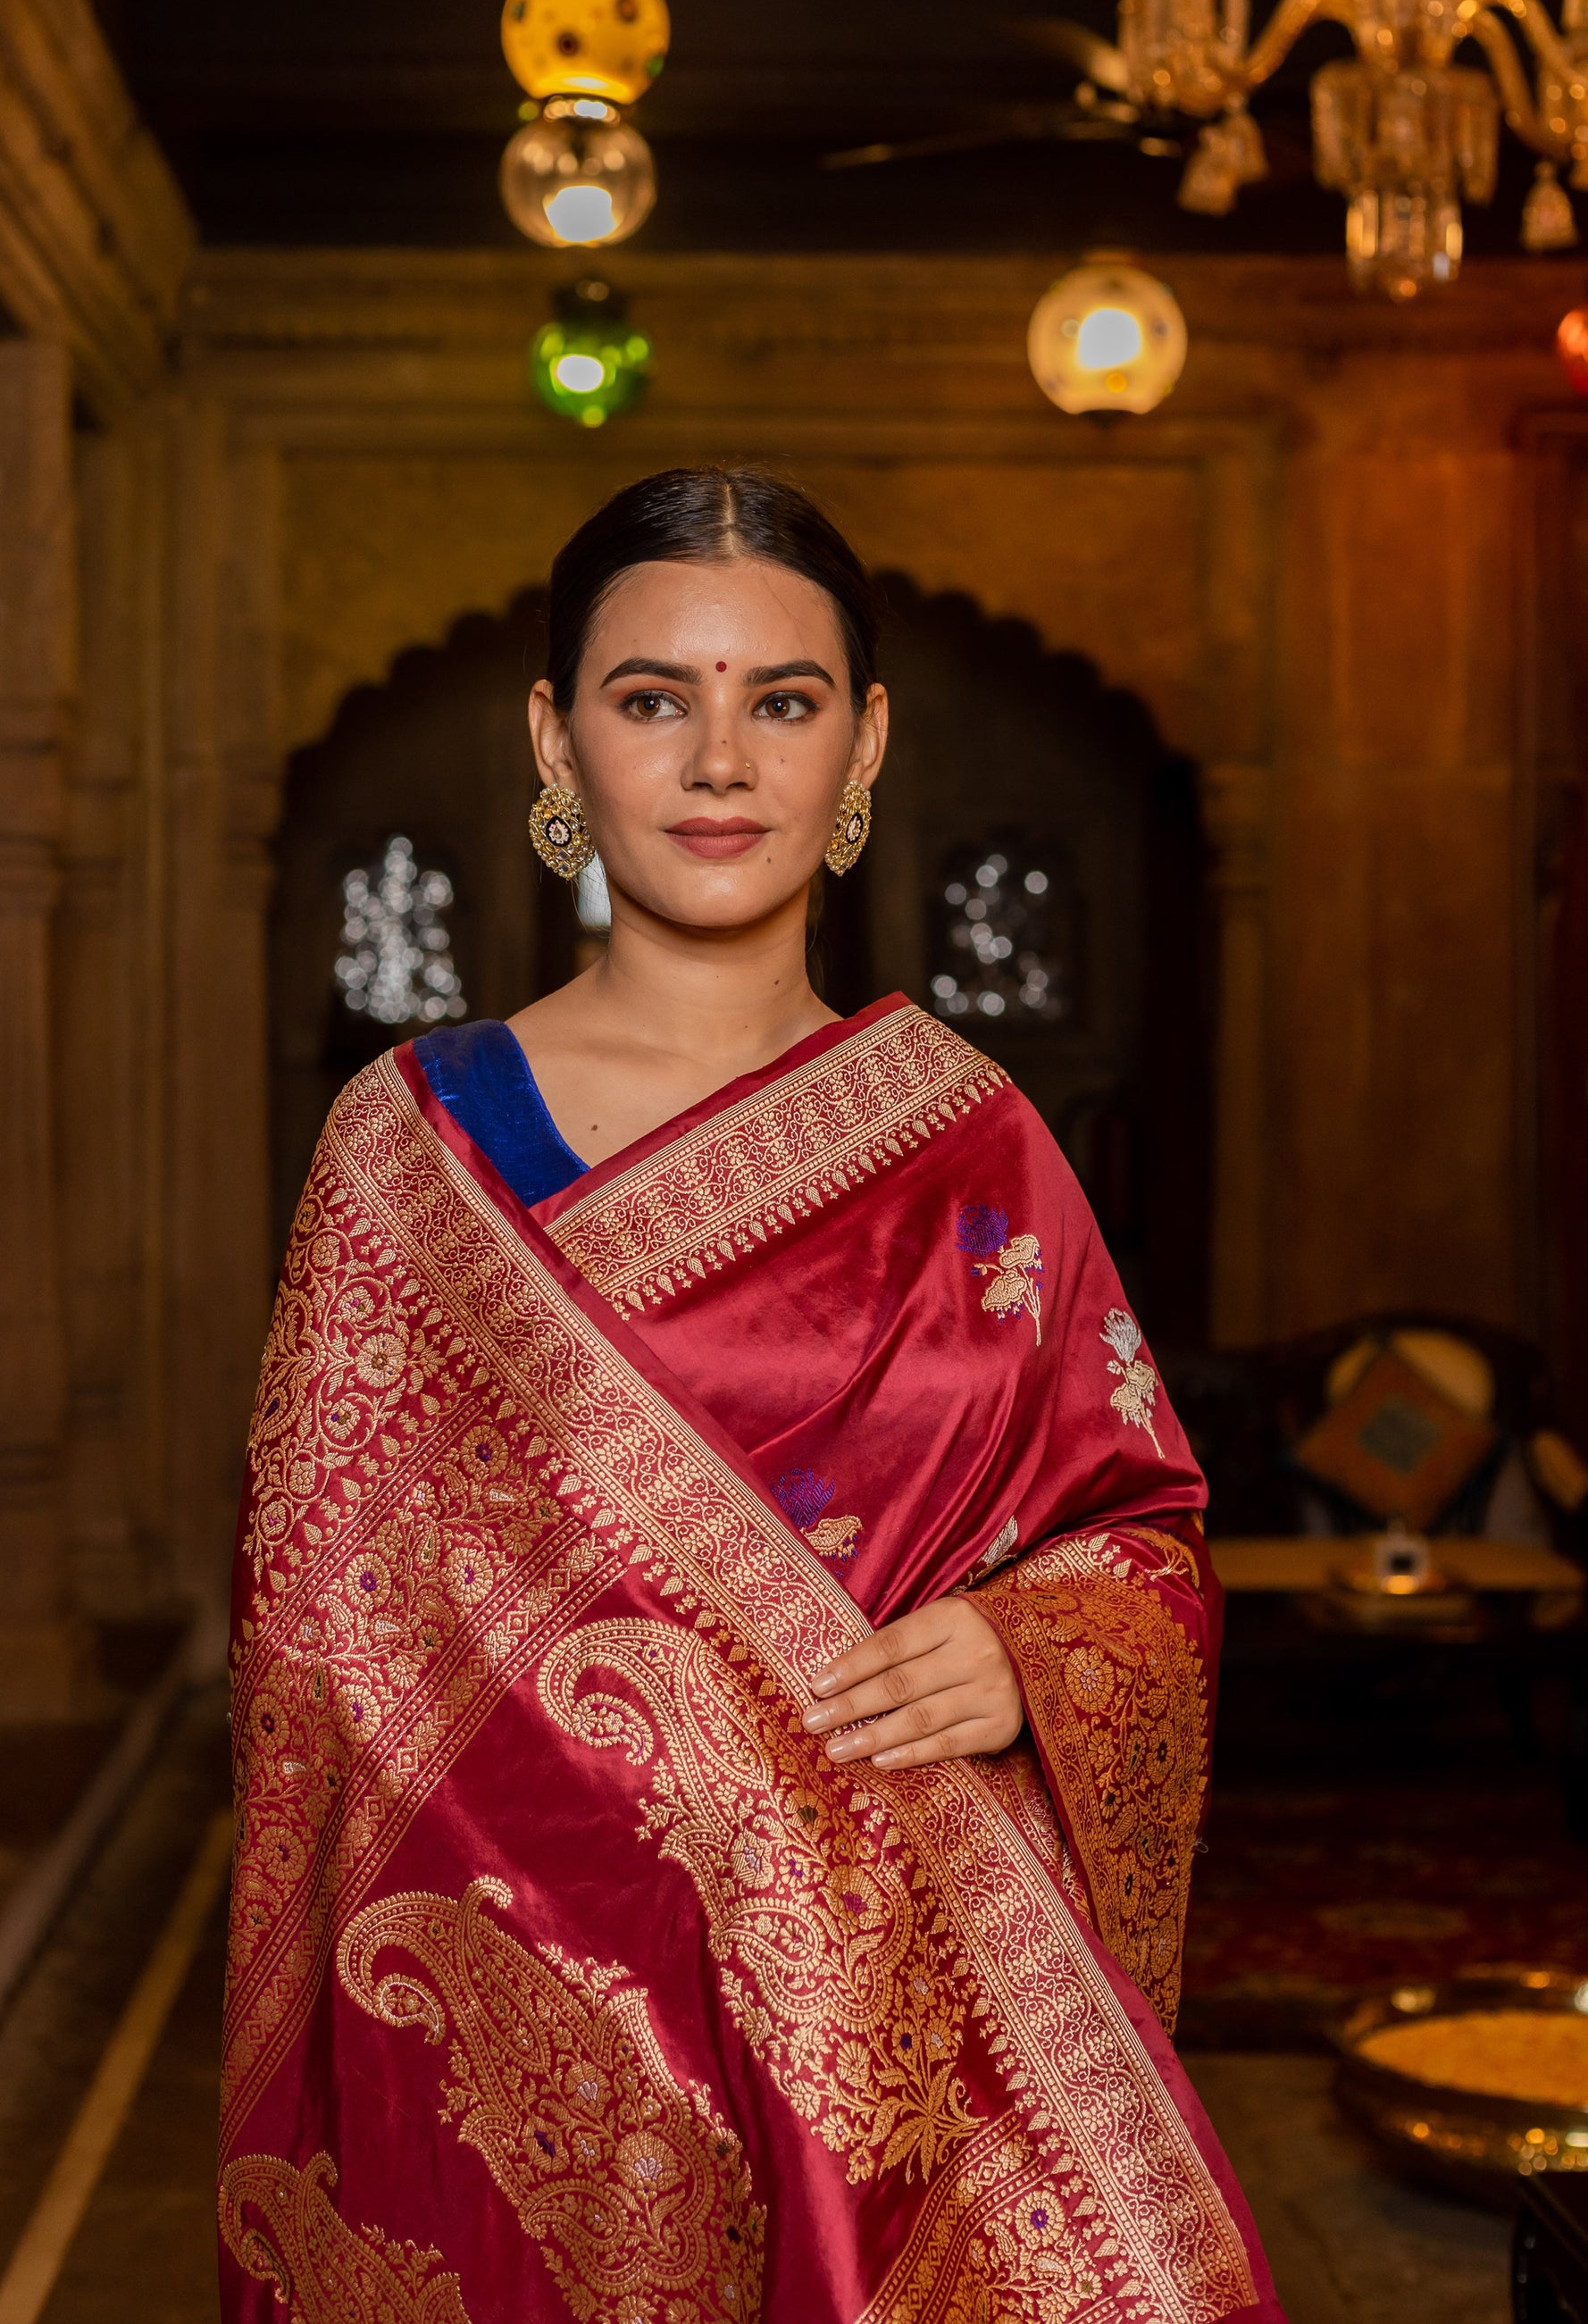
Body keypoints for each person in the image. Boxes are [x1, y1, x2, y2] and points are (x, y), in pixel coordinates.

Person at [219, 468, 1285, 2323]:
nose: (720, 756)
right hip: (493, 2030)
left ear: (860, 736)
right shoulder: (407, 1153)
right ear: (559, 731)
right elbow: (318, 1667)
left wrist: (1026, 1648)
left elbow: (1143, 1532)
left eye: (780, 698)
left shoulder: (975, 1146)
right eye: (653, 696)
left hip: (881, 2025)